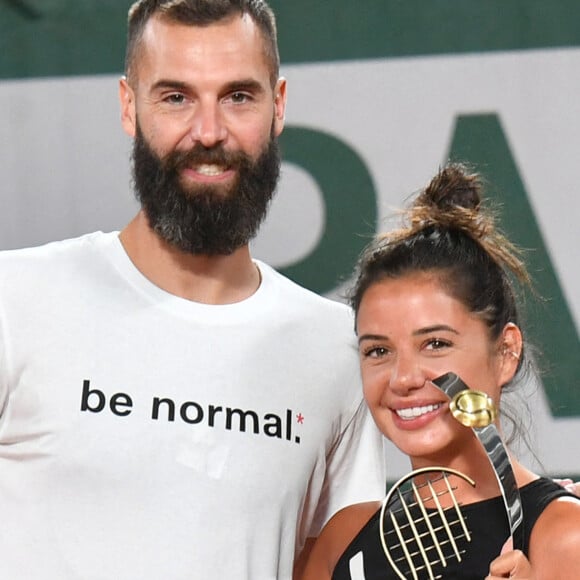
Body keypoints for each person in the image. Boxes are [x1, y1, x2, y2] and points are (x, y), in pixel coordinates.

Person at [0, 1, 386, 578]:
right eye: (176, 97)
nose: (209, 133)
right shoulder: (16, 297)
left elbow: (333, 565)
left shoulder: (337, 348)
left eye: (238, 97)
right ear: (130, 106)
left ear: (278, 105)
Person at [300, 163, 580, 579]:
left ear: (506, 352)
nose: (403, 378)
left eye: (436, 344)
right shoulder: (343, 540)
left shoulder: (563, 535)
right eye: (378, 350)